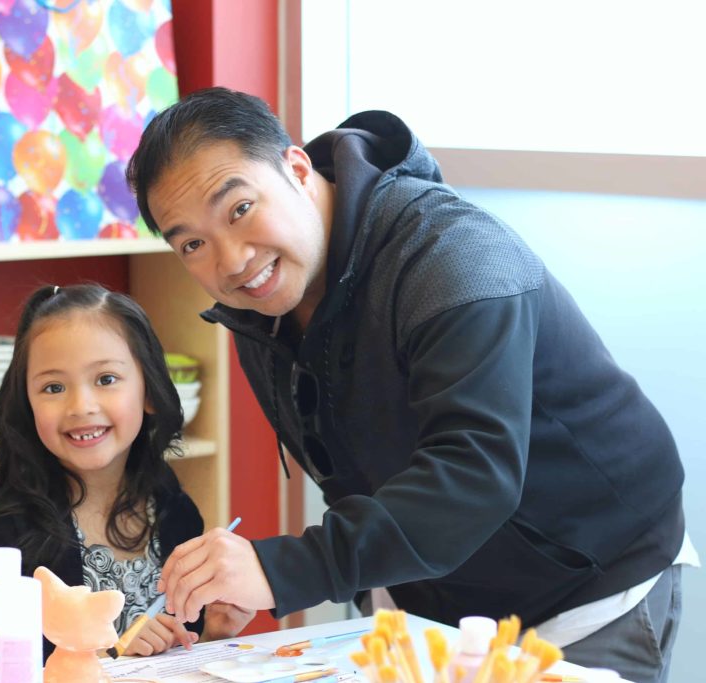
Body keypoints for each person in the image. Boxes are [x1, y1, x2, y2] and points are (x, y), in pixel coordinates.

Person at [126, 87, 694, 682]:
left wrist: (281, 568)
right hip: (439, 597)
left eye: (240, 209)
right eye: (192, 242)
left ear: (295, 167)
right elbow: (351, 474)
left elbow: (473, 478)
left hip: (587, 576)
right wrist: (257, 581)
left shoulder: (454, 257)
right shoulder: (264, 300)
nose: (232, 259)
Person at [0, 284, 251, 677]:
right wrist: (110, 658)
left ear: (148, 390)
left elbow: (183, 657)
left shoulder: (174, 511)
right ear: (27, 403)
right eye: (53, 387)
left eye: (106, 379)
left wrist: (213, 632)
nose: (81, 406)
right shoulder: (11, 536)